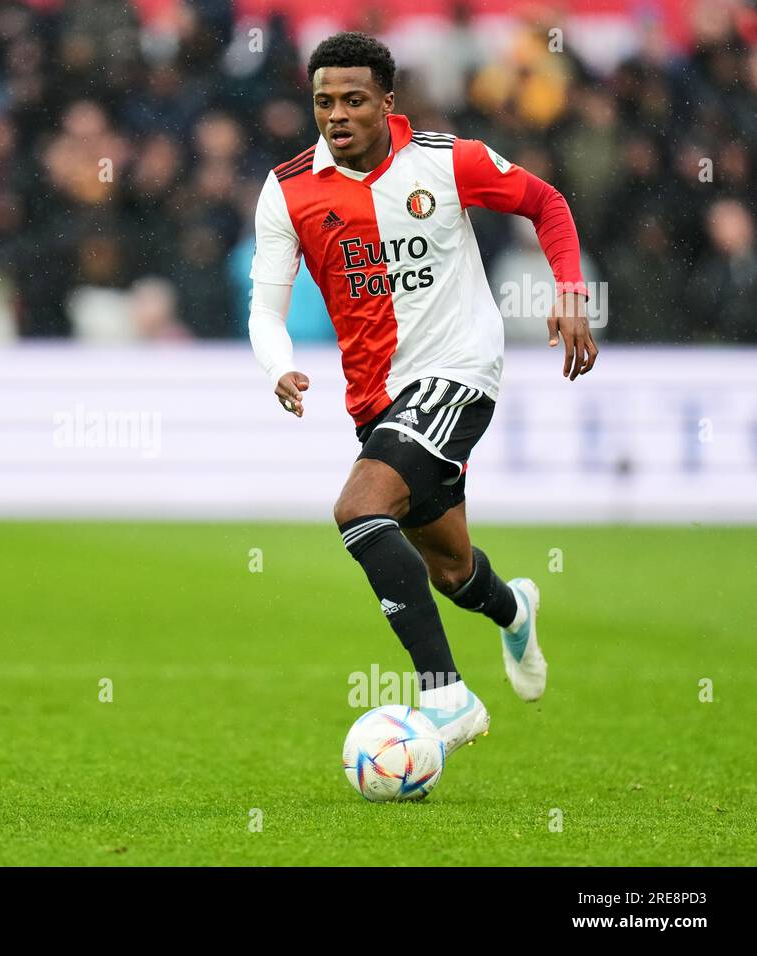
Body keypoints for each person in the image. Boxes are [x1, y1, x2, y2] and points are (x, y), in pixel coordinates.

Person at [247, 32, 598, 755]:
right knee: (451, 569)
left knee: (358, 507)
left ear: (387, 102)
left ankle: (447, 696)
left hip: (461, 368)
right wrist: (276, 363)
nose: (336, 115)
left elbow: (547, 203)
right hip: (378, 399)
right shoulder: (288, 190)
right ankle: (513, 607)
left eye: (352, 100)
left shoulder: (447, 161)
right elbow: (264, 304)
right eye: (323, 102)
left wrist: (568, 289)